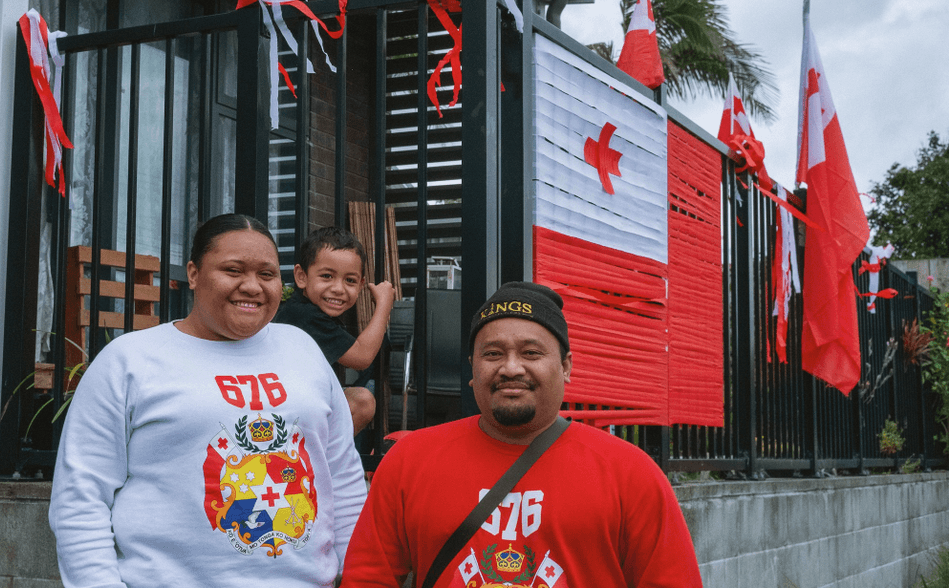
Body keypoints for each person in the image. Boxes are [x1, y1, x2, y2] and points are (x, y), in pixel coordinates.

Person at [49, 214, 368, 588]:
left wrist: (358, 576)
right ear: (194, 273)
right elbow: (80, 498)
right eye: (233, 270)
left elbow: (343, 480)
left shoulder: (302, 350)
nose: (252, 286)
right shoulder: (130, 361)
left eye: (267, 275)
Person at [341, 282, 703, 588]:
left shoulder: (630, 474)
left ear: (565, 366)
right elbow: (368, 578)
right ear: (472, 368)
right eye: (493, 353)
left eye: (531, 352)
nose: (511, 368)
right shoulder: (410, 462)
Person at [274, 226, 396, 434]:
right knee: (363, 401)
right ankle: (319, 460)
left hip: (291, 402)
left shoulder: (303, 309)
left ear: (360, 285)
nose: (338, 288)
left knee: (359, 397)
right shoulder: (305, 315)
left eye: (350, 280)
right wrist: (384, 304)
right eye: (327, 276)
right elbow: (362, 357)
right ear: (301, 276)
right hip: (279, 410)